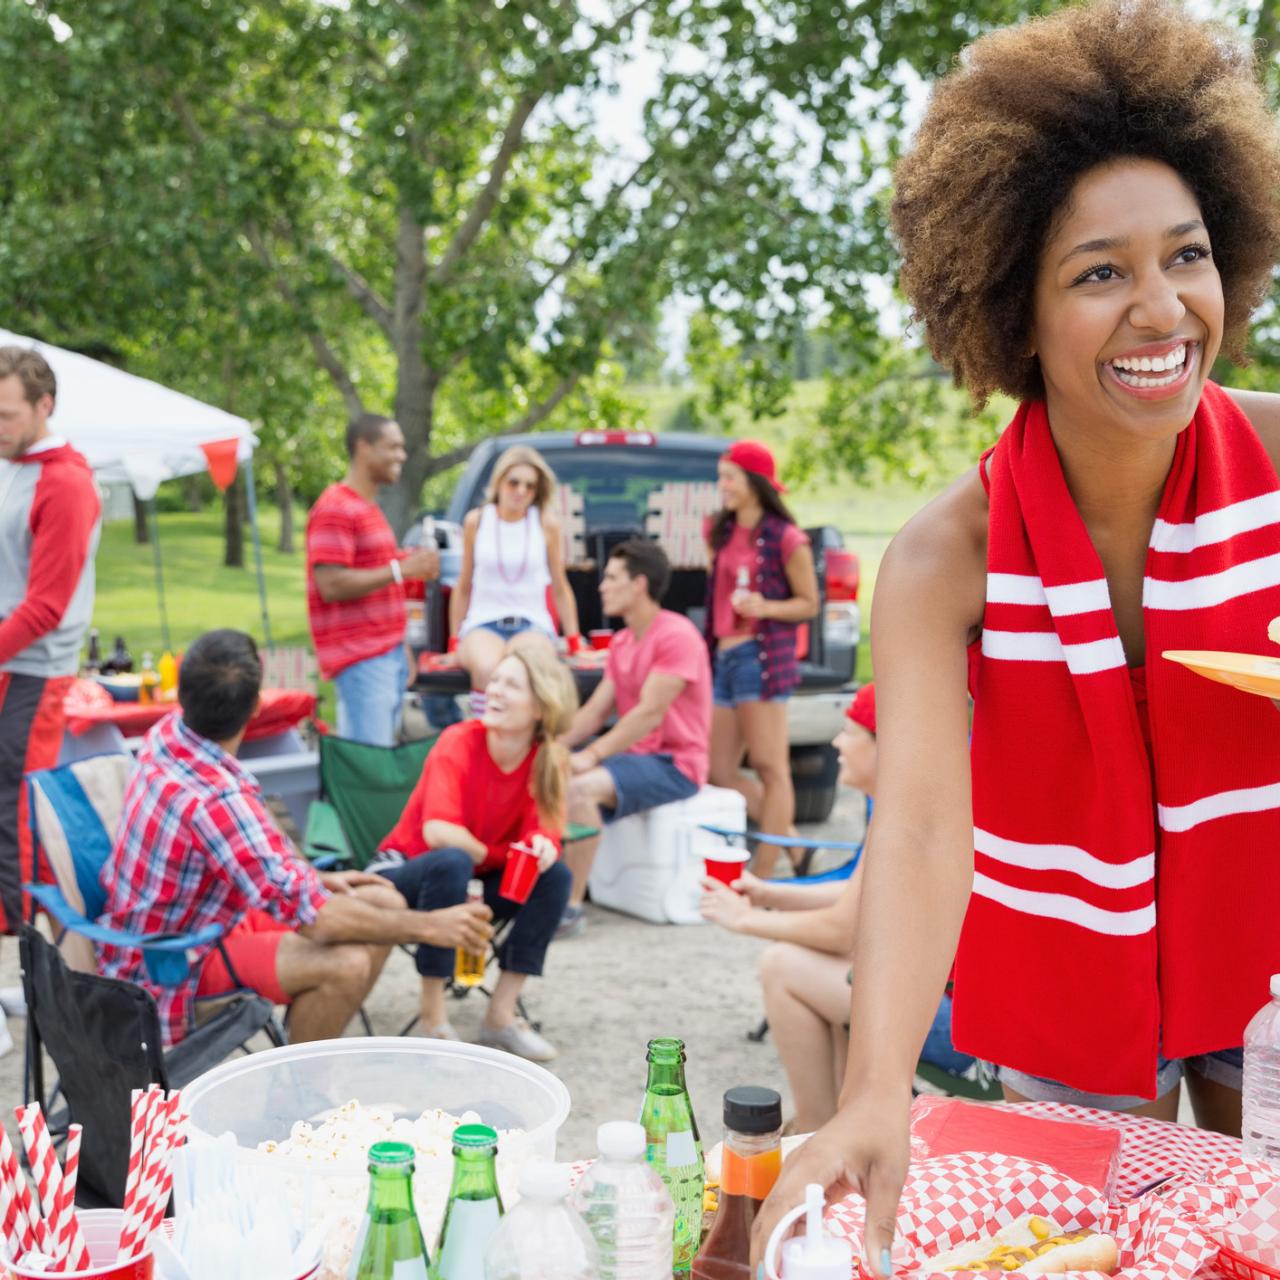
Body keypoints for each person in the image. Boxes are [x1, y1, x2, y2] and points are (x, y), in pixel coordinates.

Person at [753, 3, 1280, 1272]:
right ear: (1010, 306)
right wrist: (876, 1081)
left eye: (1186, 256)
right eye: (1099, 271)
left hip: (1264, 967)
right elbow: (926, 824)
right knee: (1074, 1247)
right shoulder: (946, 553)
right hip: (1060, 983)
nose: (1160, 310)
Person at [97, 629, 493, 1047]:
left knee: (385, 900)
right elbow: (316, 921)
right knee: (346, 964)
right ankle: (299, 1093)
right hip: (171, 963)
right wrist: (431, 926)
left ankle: (311, 1043)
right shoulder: (219, 799)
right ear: (254, 708)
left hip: (192, 921)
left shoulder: (170, 734)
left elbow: (253, 860)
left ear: (183, 693)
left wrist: (307, 875)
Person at [700, 685, 976, 1133]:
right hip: (957, 1009)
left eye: (848, 732)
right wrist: (765, 893)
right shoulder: (927, 796)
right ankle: (839, 1124)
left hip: (967, 1036)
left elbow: (843, 928)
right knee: (826, 970)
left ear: (885, 744)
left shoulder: (909, 810)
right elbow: (860, 897)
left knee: (783, 967)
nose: (836, 744)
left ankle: (816, 1128)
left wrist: (743, 920)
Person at [373, 641, 578, 1061]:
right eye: (495, 680)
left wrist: (542, 849)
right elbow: (439, 833)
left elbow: (547, 835)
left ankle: (500, 1017)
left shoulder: (548, 760)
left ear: (541, 707)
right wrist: (510, 854)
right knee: (452, 861)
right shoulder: (459, 740)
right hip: (404, 875)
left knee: (556, 877)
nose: (495, 691)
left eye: (512, 685)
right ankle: (433, 1019)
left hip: (474, 877)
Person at [0, 346, 101, 1055]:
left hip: (33, 675)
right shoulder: (13, 466)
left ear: (45, 406)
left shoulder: (65, 483)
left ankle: (30, 987)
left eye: (5, 413)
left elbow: (46, 605)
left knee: (15, 831)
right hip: (8, 667)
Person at [560, 539, 713, 936]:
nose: (602, 587)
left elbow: (648, 713)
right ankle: (550, 888)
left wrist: (590, 756)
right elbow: (595, 712)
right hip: (636, 758)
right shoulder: (624, 641)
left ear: (639, 584)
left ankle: (569, 907)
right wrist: (551, 748)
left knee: (579, 789)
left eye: (612, 578)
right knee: (551, 775)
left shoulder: (676, 635)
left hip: (676, 764)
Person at [704, 441, 819, 875]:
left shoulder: (787, 538)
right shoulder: (719, 530)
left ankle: (763, 873)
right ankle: (792, 842)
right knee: (718, 771)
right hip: (725, 659)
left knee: (772, 767)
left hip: (761, 657)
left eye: (729, 477)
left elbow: (809, 603)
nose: (723, 486)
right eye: (721, 477)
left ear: (754, 483)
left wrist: (766, 607)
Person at [306, 413, 439, 746]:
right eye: (392, 447)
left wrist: (402, 646)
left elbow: (381, 583)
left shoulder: (367, 507)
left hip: (387, 654)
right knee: (368, 763)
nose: (402, 456)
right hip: (361, 661)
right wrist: (402, 569)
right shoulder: (335, 507)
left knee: (380, 760)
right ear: (363, 448)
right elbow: (331, 584)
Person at [449, 445, 581, 716]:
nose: (521, 491)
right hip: (483, 622)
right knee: (486, 670)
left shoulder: (545, 523)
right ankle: (482, 739)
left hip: (531, 624)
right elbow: (463, 587)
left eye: (530, 486)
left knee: (522, 672)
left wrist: (574, 640)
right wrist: (453, 641)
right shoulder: (477, 521)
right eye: (514, 482)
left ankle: (523, 747)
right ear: (499, 483)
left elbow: (559, 586)